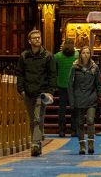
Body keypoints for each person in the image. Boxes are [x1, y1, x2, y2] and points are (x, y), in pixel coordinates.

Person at [16, 29, 57, 157]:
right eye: (34, 38)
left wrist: (50, 91)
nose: (37, 39)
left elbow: (52, 75)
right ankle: (38, 140)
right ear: (29, 41)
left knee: (37, 118)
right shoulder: (24, 56)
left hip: (42, 92)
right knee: (32, 120)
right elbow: (20, 74)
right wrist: (21, 90)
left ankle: (35, 143)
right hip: (28, 92)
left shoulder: (48, 56)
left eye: (39, 37)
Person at [68, 45, 101, 155]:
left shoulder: (94, 67)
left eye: (88, 53)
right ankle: (82, 146)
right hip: (78, 98)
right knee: (79, 123)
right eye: (83, 53)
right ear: (80, 54)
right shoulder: (75, 67)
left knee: (90, 120)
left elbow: (99, 83)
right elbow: (70, 85)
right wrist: (72, 100)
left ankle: (91, 144)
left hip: (91, 98)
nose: (86, 55)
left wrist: (100, 96)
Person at [54, 37, 78, 137]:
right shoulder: (77, 54)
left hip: (62, 84)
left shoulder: (57, 56)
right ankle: (74, 130)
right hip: (73, 85)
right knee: (74, 108)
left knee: (62, 109)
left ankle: (62, 130)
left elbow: (55, 71)